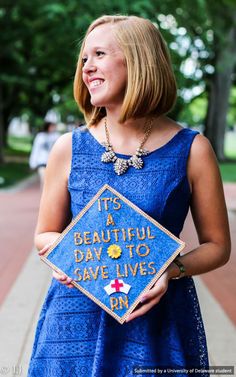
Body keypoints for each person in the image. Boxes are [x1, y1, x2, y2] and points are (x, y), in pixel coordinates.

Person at [27, 15, 231, 377]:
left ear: (139, 61)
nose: (87, 67)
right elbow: (44, 234)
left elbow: (218, 245)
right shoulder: (67, 148)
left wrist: (171, 269)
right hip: (74, 321)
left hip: (156, 323)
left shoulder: (193, 150)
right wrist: (67, 254)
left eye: (99, 54)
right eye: (84, 59)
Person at [29, 121, 59, 186]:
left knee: (52, 182)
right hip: (42, 162)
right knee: (44, 180)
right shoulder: (40, 136)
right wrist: (33, 163)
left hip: (53, 163)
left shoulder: (56, 136)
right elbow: (36, 149)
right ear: (47, 126)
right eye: (51, 126)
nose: (53, 128)